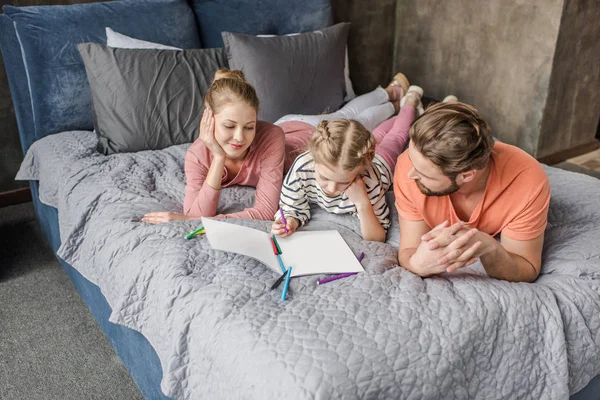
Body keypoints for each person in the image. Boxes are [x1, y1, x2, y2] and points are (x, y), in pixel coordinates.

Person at [143, 70, 417, 224]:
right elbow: (196, 212)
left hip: (301, 133)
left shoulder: (269, 136)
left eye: (249, 126)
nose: (240, 137)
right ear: (209, 118)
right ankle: (394, 104)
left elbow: (263, 212)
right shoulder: (196, 156)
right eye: (229, 126)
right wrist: (217, 158)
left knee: (353, 120)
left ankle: (391, 93)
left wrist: (191, 223)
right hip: (286, 133)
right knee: (355, 118)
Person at [394, 102, 551, 282]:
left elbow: (526, 268)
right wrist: (416, 265)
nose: (410, 174)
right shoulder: (408, 164)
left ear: (467, 175)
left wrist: (487, 246)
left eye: (423, 174)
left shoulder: (528, 183)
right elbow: (408, 251)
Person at [271, 83, 426, 242]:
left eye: (343, 182)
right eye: (324, 178)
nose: (332, 188)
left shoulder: (369, 181)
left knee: (396, 137)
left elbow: (377, 237)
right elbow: (291, 207)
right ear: (313, 159)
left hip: (382, 163)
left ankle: (411, 102)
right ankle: (410, 113)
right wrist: (290, 221)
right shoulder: (302, 167)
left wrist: (362, 202)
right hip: (362, 152)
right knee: (378, 134)